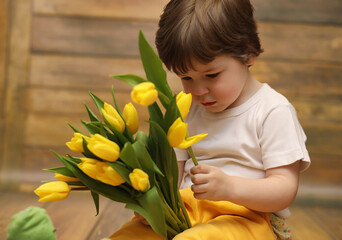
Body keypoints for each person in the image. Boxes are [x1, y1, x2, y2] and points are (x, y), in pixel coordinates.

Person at [109, 0, 310, 239]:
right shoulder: (185, 110)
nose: (199, 90)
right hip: (185, 211)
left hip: (245, 218)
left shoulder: (272, 111)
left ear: (248, 53)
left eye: (211, 75)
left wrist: (230, 188)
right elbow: (171, 175)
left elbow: (284, 190)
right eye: (186, 77)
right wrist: (155, 205)